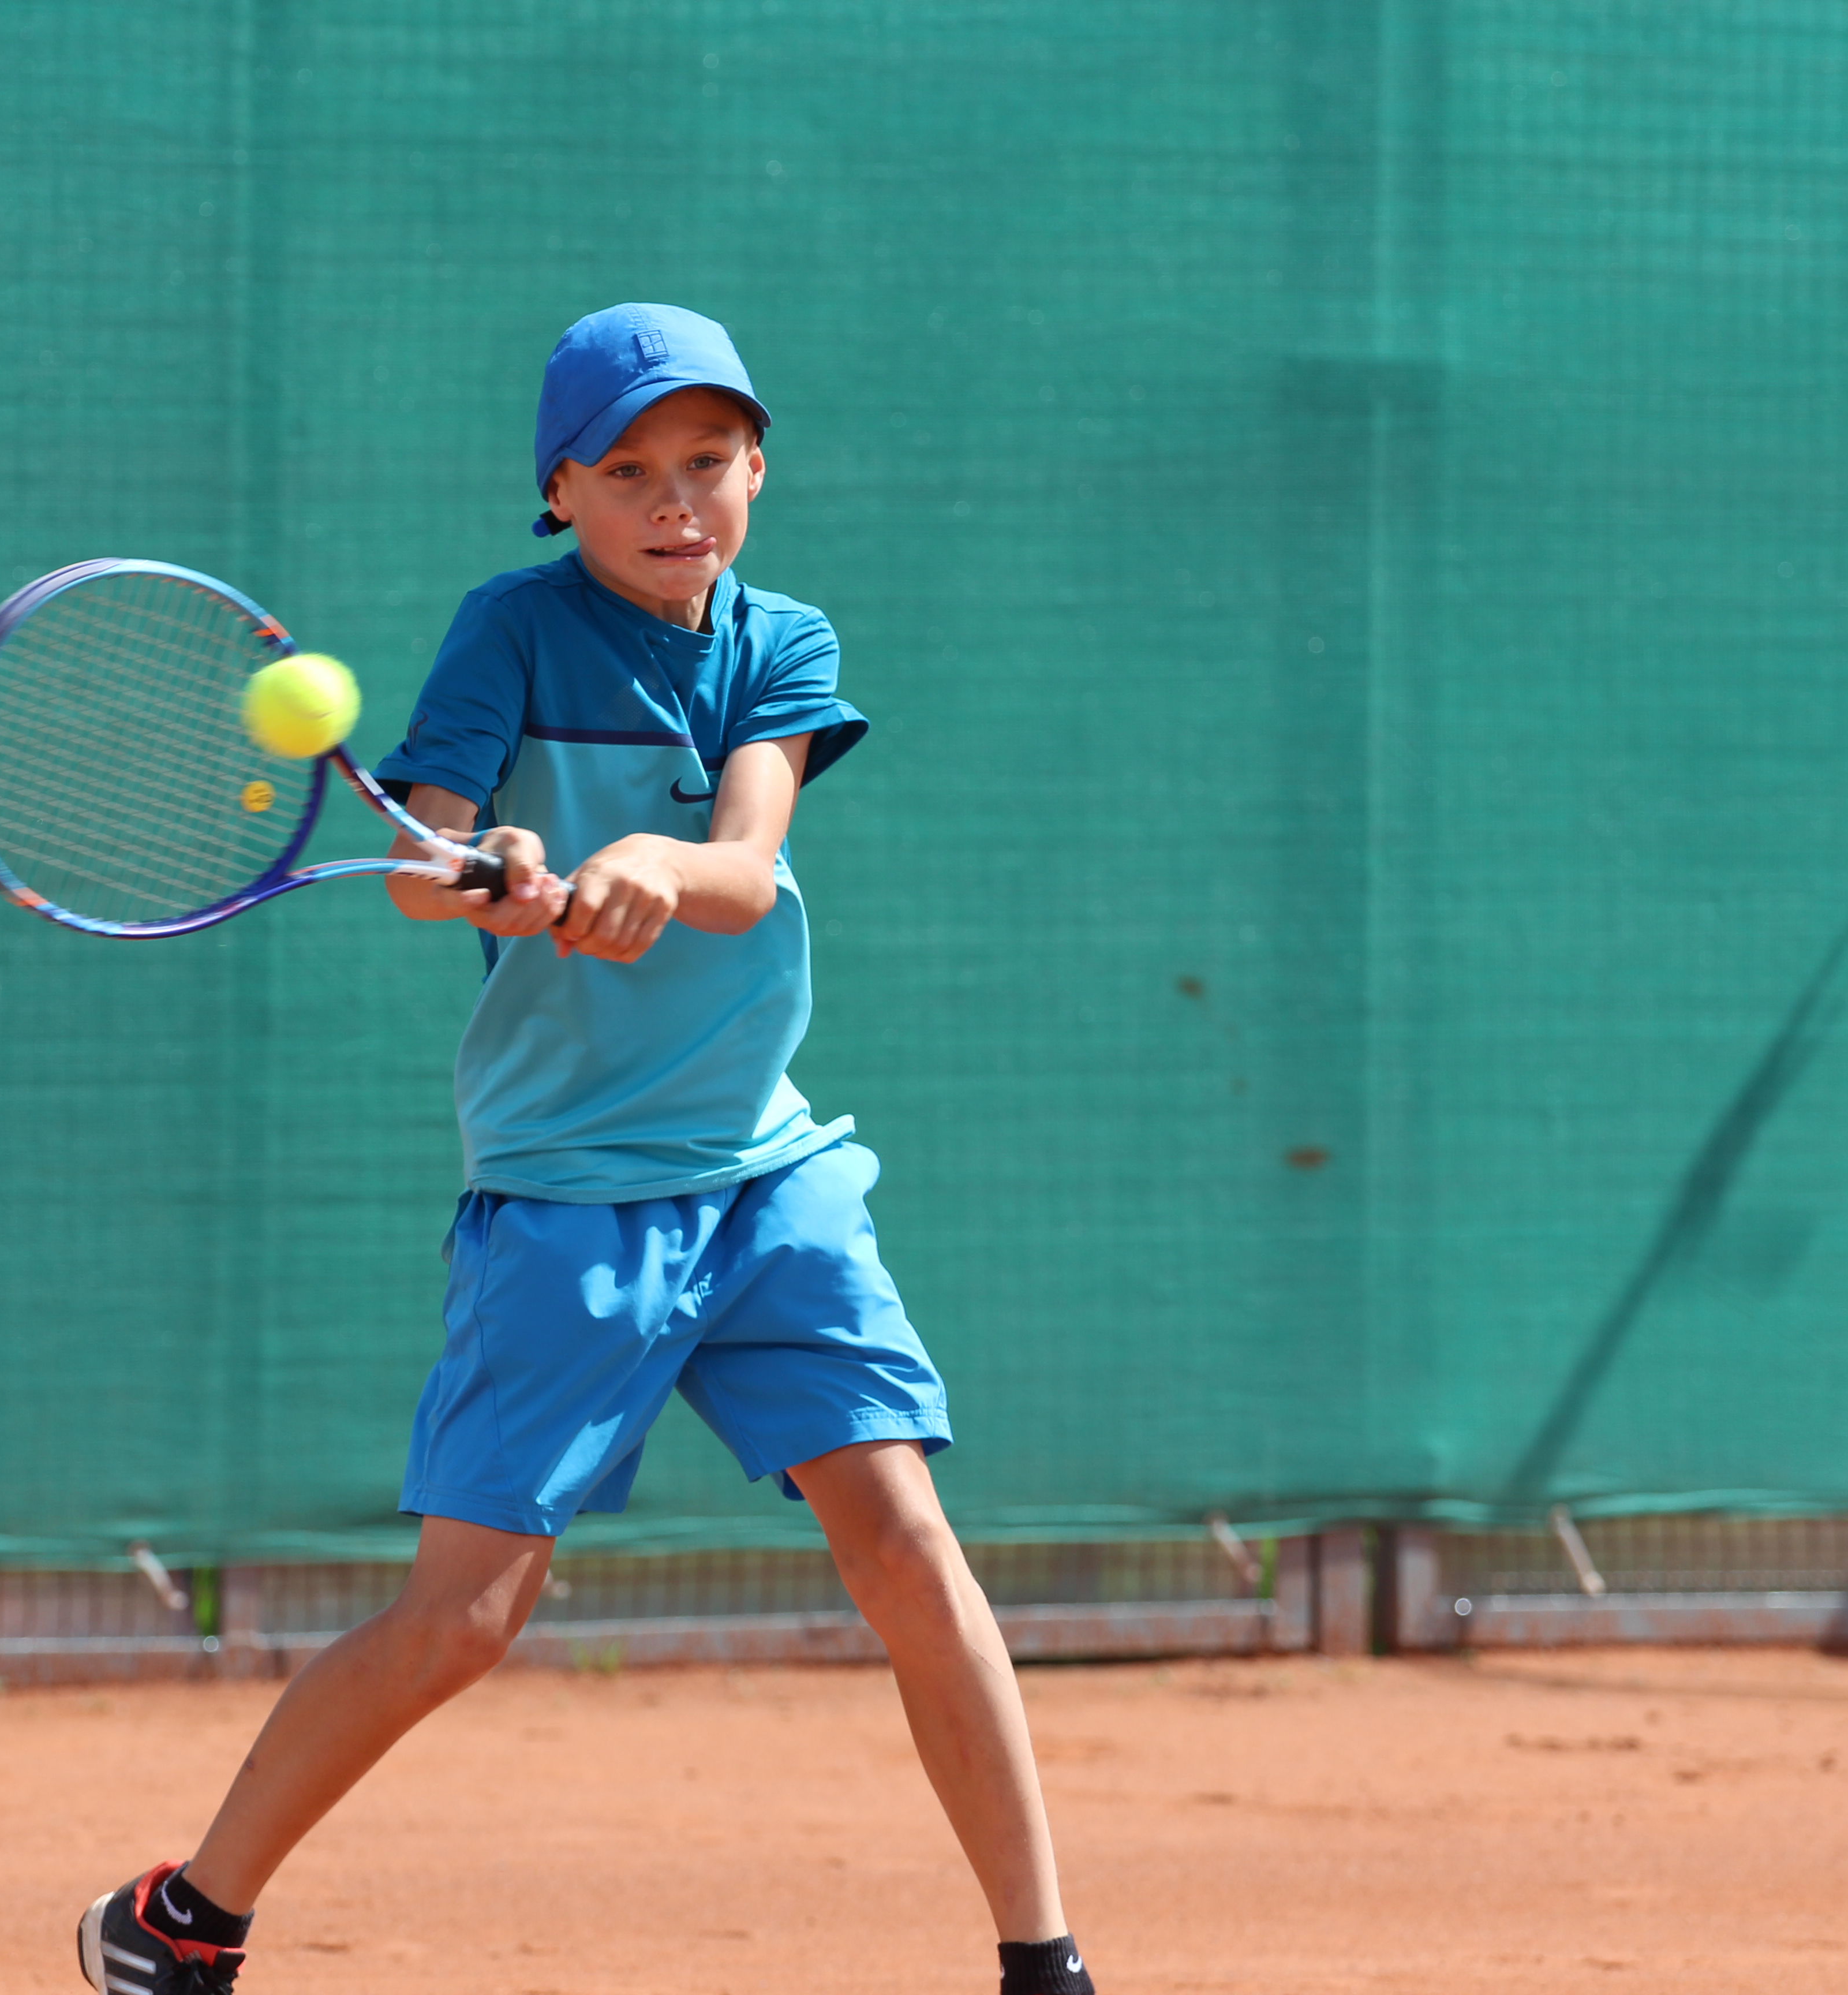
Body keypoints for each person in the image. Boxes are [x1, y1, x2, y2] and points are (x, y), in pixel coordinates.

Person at [77, 303, 1094, 1995]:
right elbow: (420, 867)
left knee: (908, 1544)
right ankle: (184, 1915)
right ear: (562, 491)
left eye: (707, 461)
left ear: (758, 468)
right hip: (570, 1198)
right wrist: (499, 875)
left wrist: (640, 862)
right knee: (465, 1622)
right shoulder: (510, 635)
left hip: (769, 1177)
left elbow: (749, 862)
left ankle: (1042, 1961)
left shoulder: (782, 640)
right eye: (628, 470)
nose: (674, 499)